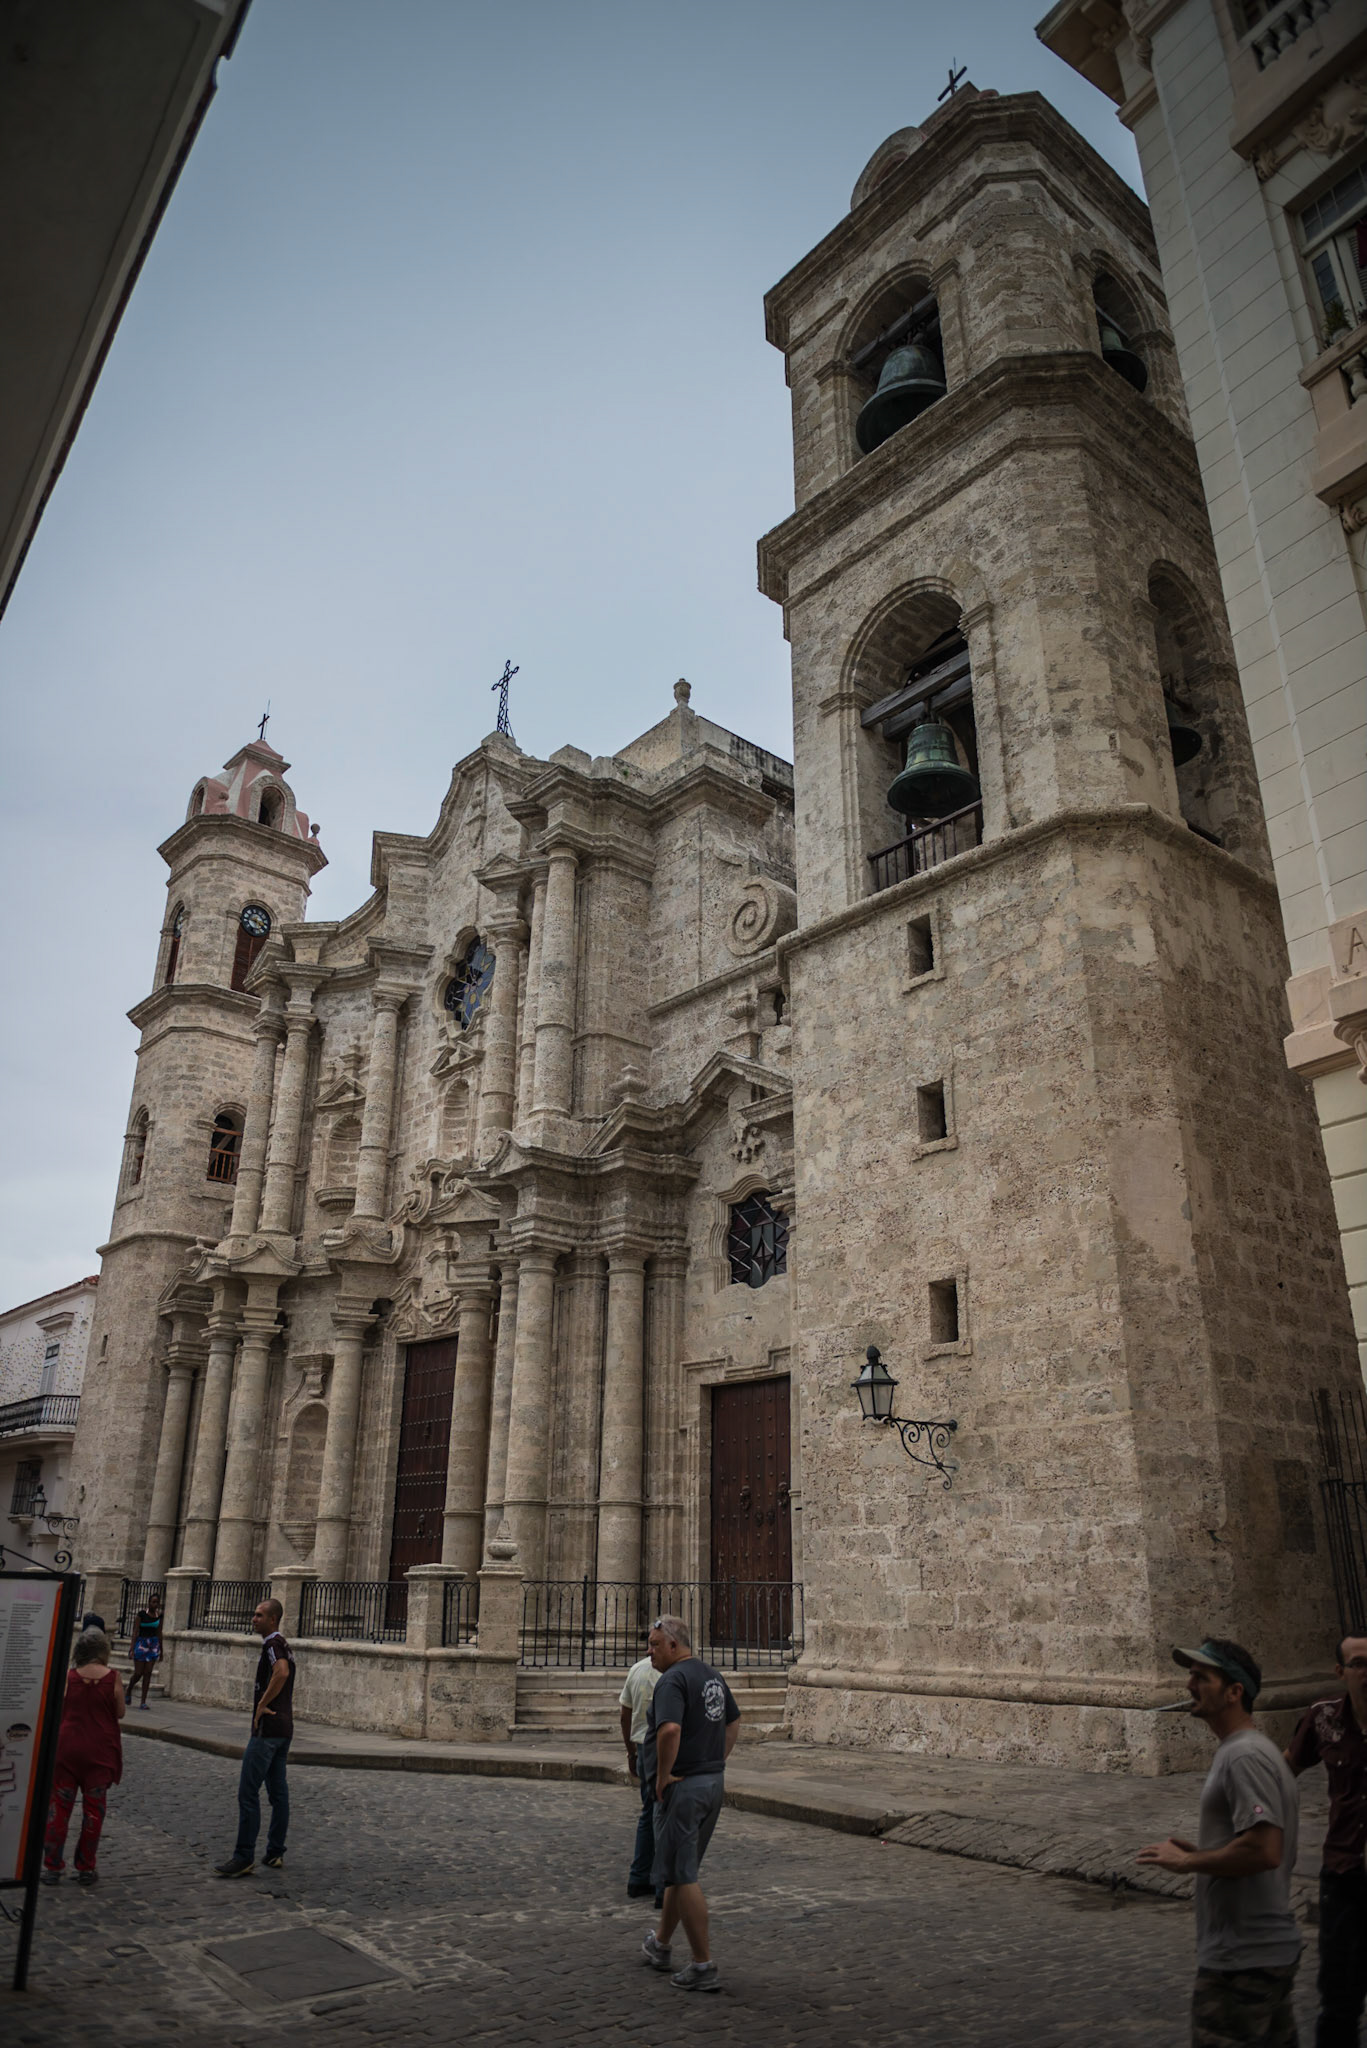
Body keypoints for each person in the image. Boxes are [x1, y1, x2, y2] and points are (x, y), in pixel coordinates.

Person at [1138, 1637, 1302, 2048]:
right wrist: (1207, 1855)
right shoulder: (1246, 1750)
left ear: (1234, 1692)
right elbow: (1250, 1842)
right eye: (1190, 1676)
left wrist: (1188, 1863)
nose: (1189, 1685)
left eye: (1201, 1677)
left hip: (1243, 1958)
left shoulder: (1244, 1755)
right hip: (1259, 1955)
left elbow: (1265, 1849)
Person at [638, 1614, 740, 1994]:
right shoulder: (711, 1674)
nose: (649, 1651)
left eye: (653, 1644)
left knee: (684, 1874)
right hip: (711, 1781)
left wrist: (663, 1776)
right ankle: (661, 1944)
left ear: (673, 1646)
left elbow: (669, 1729)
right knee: (679, 1868)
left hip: (683, 1787)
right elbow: (733, 1721)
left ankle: (702, 1965)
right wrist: (716, 1760)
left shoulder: (673, 1680)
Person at [1285, 1634, 1367, 2048]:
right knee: (1338, 2000)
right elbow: (1284, 1773)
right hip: (1344, 1874)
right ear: (1341, 1672)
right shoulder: (1323, 1719)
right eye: (1359, 1664)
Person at [214, 1597, 295, 1879]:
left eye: (259, 1615)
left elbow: (281, 1671)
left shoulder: (273, 1644)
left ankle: (243, 1855)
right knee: (278, 1794)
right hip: (284, 1730)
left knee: (248, 1793)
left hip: (268, 1730)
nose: (254, 1619)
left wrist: (261, 1704)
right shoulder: (283, 1644)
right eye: (254, 1614)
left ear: (273, 1619)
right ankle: (275, 1852)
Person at [42, 1627, 125, 1886]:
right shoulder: (113, 1677)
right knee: (93, 1811)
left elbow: (57, 1707)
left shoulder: (70, 1676)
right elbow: (120, 1712)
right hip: (99, 1753)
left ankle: (52, 1867)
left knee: (59, 1809)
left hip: (67, 1750)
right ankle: (86, 1867)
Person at [619, 1644, 663, 1905]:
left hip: (642, 1748)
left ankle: (638, 1877)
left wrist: (630, 1752)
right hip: (663, 1749)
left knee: (649, 1813)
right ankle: (662, 1884)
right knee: (663, 1815)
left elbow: (624, 1714)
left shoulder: (636, 1670)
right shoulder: (673, 1675)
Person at [129, 1592, 164, 1711]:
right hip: (141, 1644)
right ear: (149, 1602)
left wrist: (161, 1650)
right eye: (153, 1602)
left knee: (148, 1673)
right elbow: (135, 1632)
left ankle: (143, 1701)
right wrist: (131, 1648)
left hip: (153, 1645)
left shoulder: (159, 1616)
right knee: (138, 1673)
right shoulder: (141, 1614)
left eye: (157, 1602)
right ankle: (129, 1688)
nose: (155, 1604)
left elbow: (159, 1633)